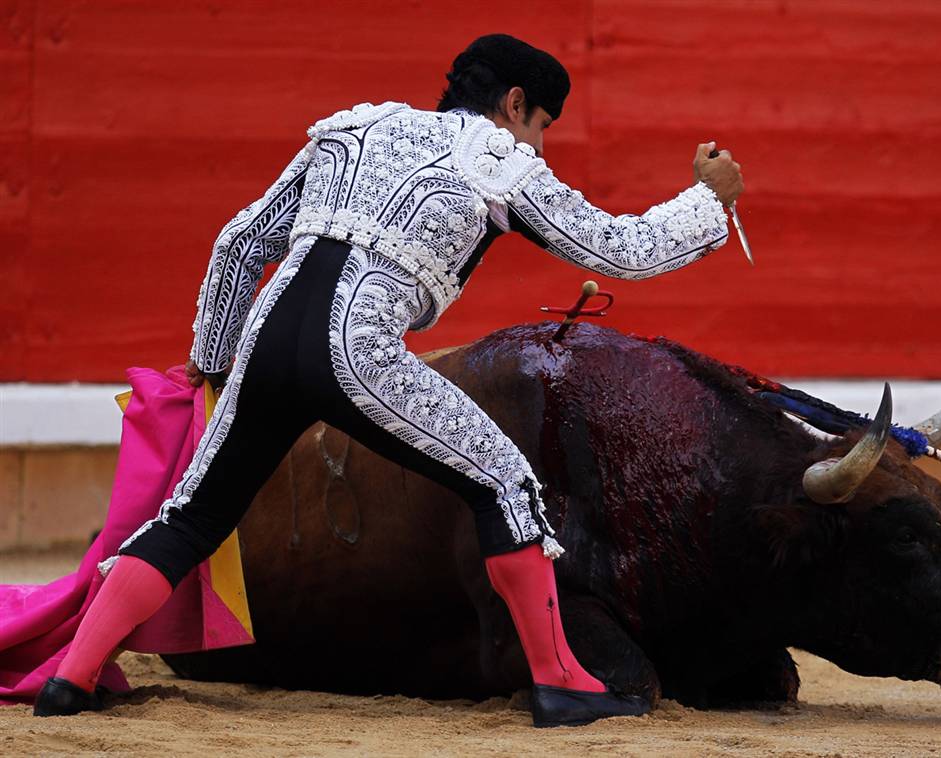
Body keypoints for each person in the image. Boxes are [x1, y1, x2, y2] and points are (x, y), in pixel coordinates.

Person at [34, 33, 743, 727]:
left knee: (192, 514)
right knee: (504, 482)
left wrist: (213, 362)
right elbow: (616, 249)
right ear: (515, 102)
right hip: (358, 351)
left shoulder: (351, 129)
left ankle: (71, 677)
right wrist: (708, 202)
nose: (540, 146)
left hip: (269, 342)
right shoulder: (499, 161)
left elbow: (241, 242)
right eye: (542, 126)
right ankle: (561, 683)